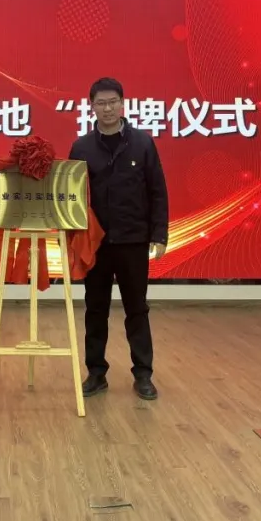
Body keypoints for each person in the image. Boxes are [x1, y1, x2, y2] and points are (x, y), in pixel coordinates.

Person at [68, 77, 168, 400]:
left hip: (133, 242)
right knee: (95, 309)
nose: (108, 108)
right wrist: (72, 238)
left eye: (113, 102)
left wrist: (159, 234)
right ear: (92, 106)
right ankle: (96, 373)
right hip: (96, 244)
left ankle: (143, 374)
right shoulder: (81, 148)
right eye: (101, 103)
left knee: (136, 308)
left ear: (123, 104)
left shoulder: (142, 143)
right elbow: (72, 197)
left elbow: (157, 191)